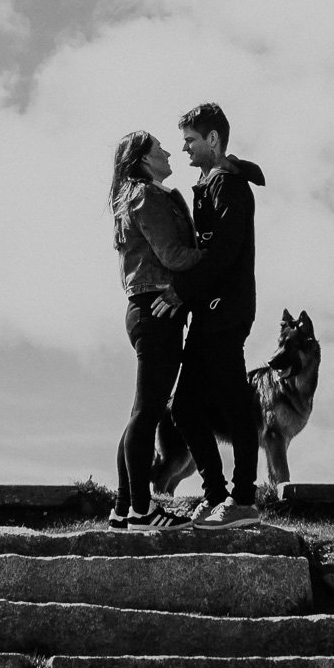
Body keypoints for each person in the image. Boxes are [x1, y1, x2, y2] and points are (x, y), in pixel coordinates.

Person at [153, 102, 266, 530]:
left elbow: (224, 253)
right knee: (183, 408)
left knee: (235, 403)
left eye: (190, 141)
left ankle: (242, 501)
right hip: (208, 310)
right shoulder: (209, 183)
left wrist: (182, 292)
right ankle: (216, 494)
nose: (184, 149)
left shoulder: (231, 188)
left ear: (213, 140)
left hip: (227, 311)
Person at [108, 130, 201, 531]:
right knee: (147, 413)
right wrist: (217, 257)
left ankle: (123, 508)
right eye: (159, 148)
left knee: (140, 413)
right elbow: (173, 255)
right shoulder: (147, 195)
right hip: (157, 309)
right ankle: (143, 510)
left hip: (145, 309)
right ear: (145, 159)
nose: (168, 151)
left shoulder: (136, 196)